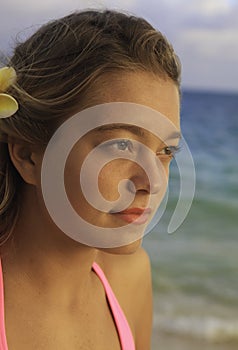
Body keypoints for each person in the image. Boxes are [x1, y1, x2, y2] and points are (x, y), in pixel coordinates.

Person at [0, 9, 181, 349]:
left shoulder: (130, 279)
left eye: (166, 151)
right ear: (27, 155)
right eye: (122, 144)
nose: (153, 181)